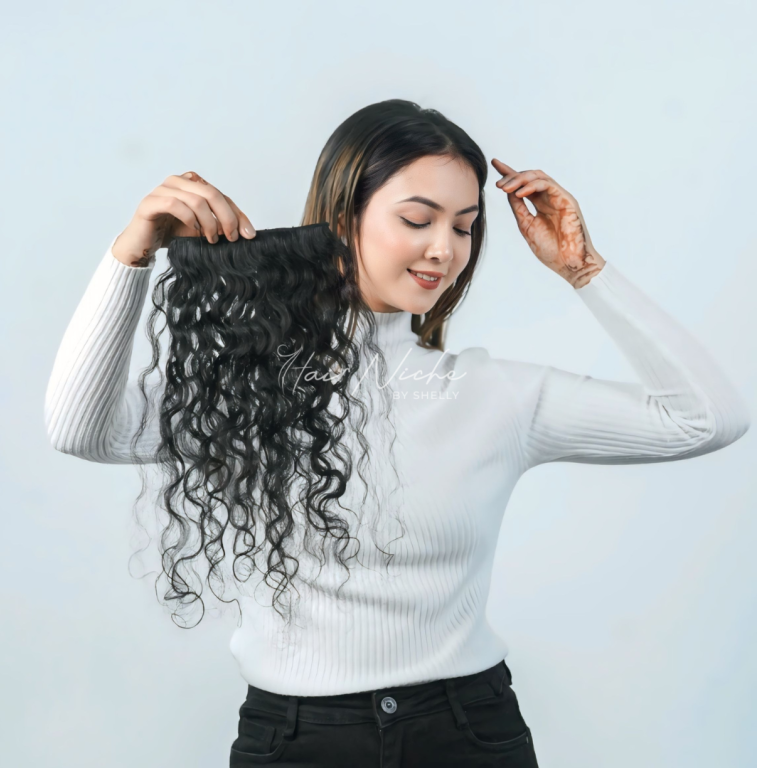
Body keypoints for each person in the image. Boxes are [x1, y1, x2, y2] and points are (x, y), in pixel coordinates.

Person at [44, 99, 750, 767]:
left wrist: (584, 270)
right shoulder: (251, 383)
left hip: (468, 730)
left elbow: (706, 416)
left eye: (466, 225)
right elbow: (79, 428)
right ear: (345, 217)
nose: (445, 249)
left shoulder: (497, 394)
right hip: (295, 739)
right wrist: (130, 254)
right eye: (419, 218)